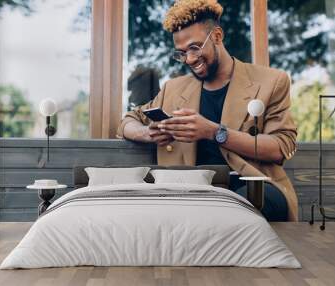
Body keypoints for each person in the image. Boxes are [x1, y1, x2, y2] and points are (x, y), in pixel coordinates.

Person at [117, 0, 298, 222]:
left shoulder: (271, 81)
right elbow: (128, 121)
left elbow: (281, 147)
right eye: (181, 53)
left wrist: (214, 132)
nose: (190, 59)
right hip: (192, 191)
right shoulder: (173, 89)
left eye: (194, 47)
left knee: (234, 212)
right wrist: (146, 133)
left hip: (253, 186)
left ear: (217, 36)